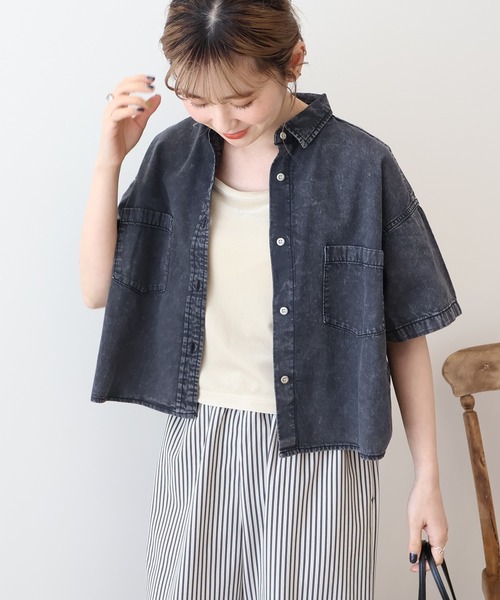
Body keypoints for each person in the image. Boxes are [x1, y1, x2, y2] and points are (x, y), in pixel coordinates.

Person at [80, 1, 461, 598]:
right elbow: (98, 290)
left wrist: (428, 480)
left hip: (323, 452)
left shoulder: (362, 166)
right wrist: (109, 162)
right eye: (197, 100)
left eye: (241, 99)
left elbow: (405, 332)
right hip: (200, 439)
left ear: (294, 61)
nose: (222, 119)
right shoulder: (173, 157)